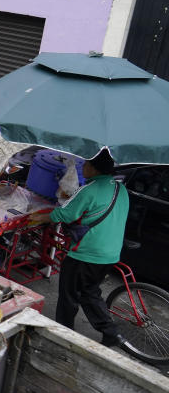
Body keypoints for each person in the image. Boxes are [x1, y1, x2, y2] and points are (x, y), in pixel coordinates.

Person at [49, 148, 129, 347]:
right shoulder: (121, 189)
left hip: (86, 254)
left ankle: (63, 334)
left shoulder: (89, 189)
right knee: (89, 292)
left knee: (69, 295)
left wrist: (39, 216)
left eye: (85, 164)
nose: (82, 167)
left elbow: (64, 215)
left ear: (94, 168)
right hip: (110, 254)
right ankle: (111, 333)